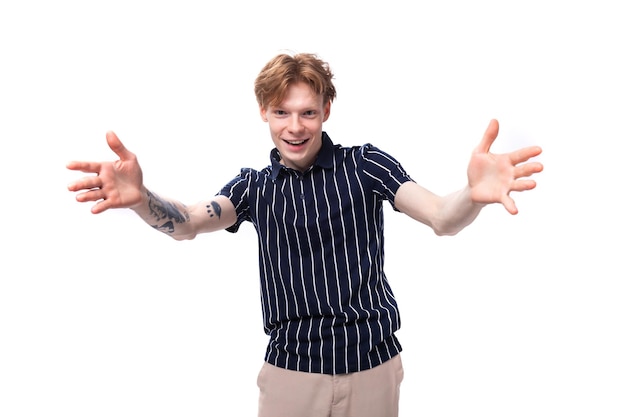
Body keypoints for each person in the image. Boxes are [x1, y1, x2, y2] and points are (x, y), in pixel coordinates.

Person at [67, 52, 543, 417]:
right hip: (291, 373)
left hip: (373, 368)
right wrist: (142, 197)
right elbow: (190, 221)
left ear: (326, 110)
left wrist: (473, 194)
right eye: (281, 113)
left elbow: (441, 216)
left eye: (307, 113)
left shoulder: (366, 166)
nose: (295, 128)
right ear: (264, 113)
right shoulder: (254, 186)